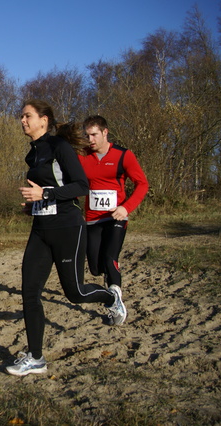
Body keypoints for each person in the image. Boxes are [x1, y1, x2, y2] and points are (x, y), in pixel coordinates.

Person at [6, 101, 126, 377]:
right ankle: (35, 357)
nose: (22, 120)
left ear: (44, 120)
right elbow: (47, 189)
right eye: (21, 116)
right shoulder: (32, 155)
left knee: (75, 292)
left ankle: (110, 297)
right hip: (41, 228)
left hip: (67, 227)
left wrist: (45, 195)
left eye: (27, 116)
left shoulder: (59, 147)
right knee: (29, 291)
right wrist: (33, 205)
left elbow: (81, 186)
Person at [80, 115, 149, 296]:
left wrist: (126, 208)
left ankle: (115, 302)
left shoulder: (124, 155)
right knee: (95, 267)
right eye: (87, 136)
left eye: (94, 135)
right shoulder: (83, 157)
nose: (90, 140)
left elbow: (142, 184)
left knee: (110, 258)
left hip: (115, 217)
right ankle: (106, 284)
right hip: (92, 220)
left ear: (105, 132)